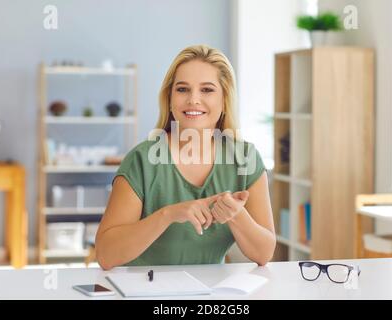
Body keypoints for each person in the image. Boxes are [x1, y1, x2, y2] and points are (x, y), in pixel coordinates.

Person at [95, 44, 276, 270]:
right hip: (145, 292)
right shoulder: (142, 160)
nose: (193, 99)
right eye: (182, 89)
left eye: (207, 90)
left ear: (224, 100)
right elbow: (105, 255)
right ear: (170, 99)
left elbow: (264, 254)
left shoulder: (245, 159)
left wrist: (237, 216)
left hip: (211, 298)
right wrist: (169, 214)